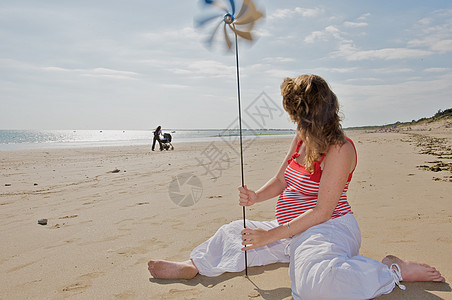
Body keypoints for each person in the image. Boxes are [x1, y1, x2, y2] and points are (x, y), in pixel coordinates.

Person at [148, 75, 445, 299]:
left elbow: (322, 212)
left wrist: (271, 236)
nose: (294, 122)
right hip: (290, 229)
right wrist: (256, 197)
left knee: (314, 283)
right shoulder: (301, 137)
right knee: (232, 232)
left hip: (328, 228)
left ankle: (391, 269)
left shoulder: (340, 149)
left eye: (296, 115)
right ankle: (194, 263)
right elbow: (281, 180)